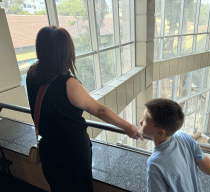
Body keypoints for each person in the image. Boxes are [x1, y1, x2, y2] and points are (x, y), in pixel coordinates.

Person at [26, 25, 144, 192]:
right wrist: (127, 126)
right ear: (65, 52)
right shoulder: (68, 83)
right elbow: (99, 110)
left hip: (49, 151)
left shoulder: (31, 74)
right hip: (72, 154)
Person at [139, 98, 210, 192]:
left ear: (160, 133)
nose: (140, 122)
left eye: (145, 119)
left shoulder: (155, 163)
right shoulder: (185, 137)